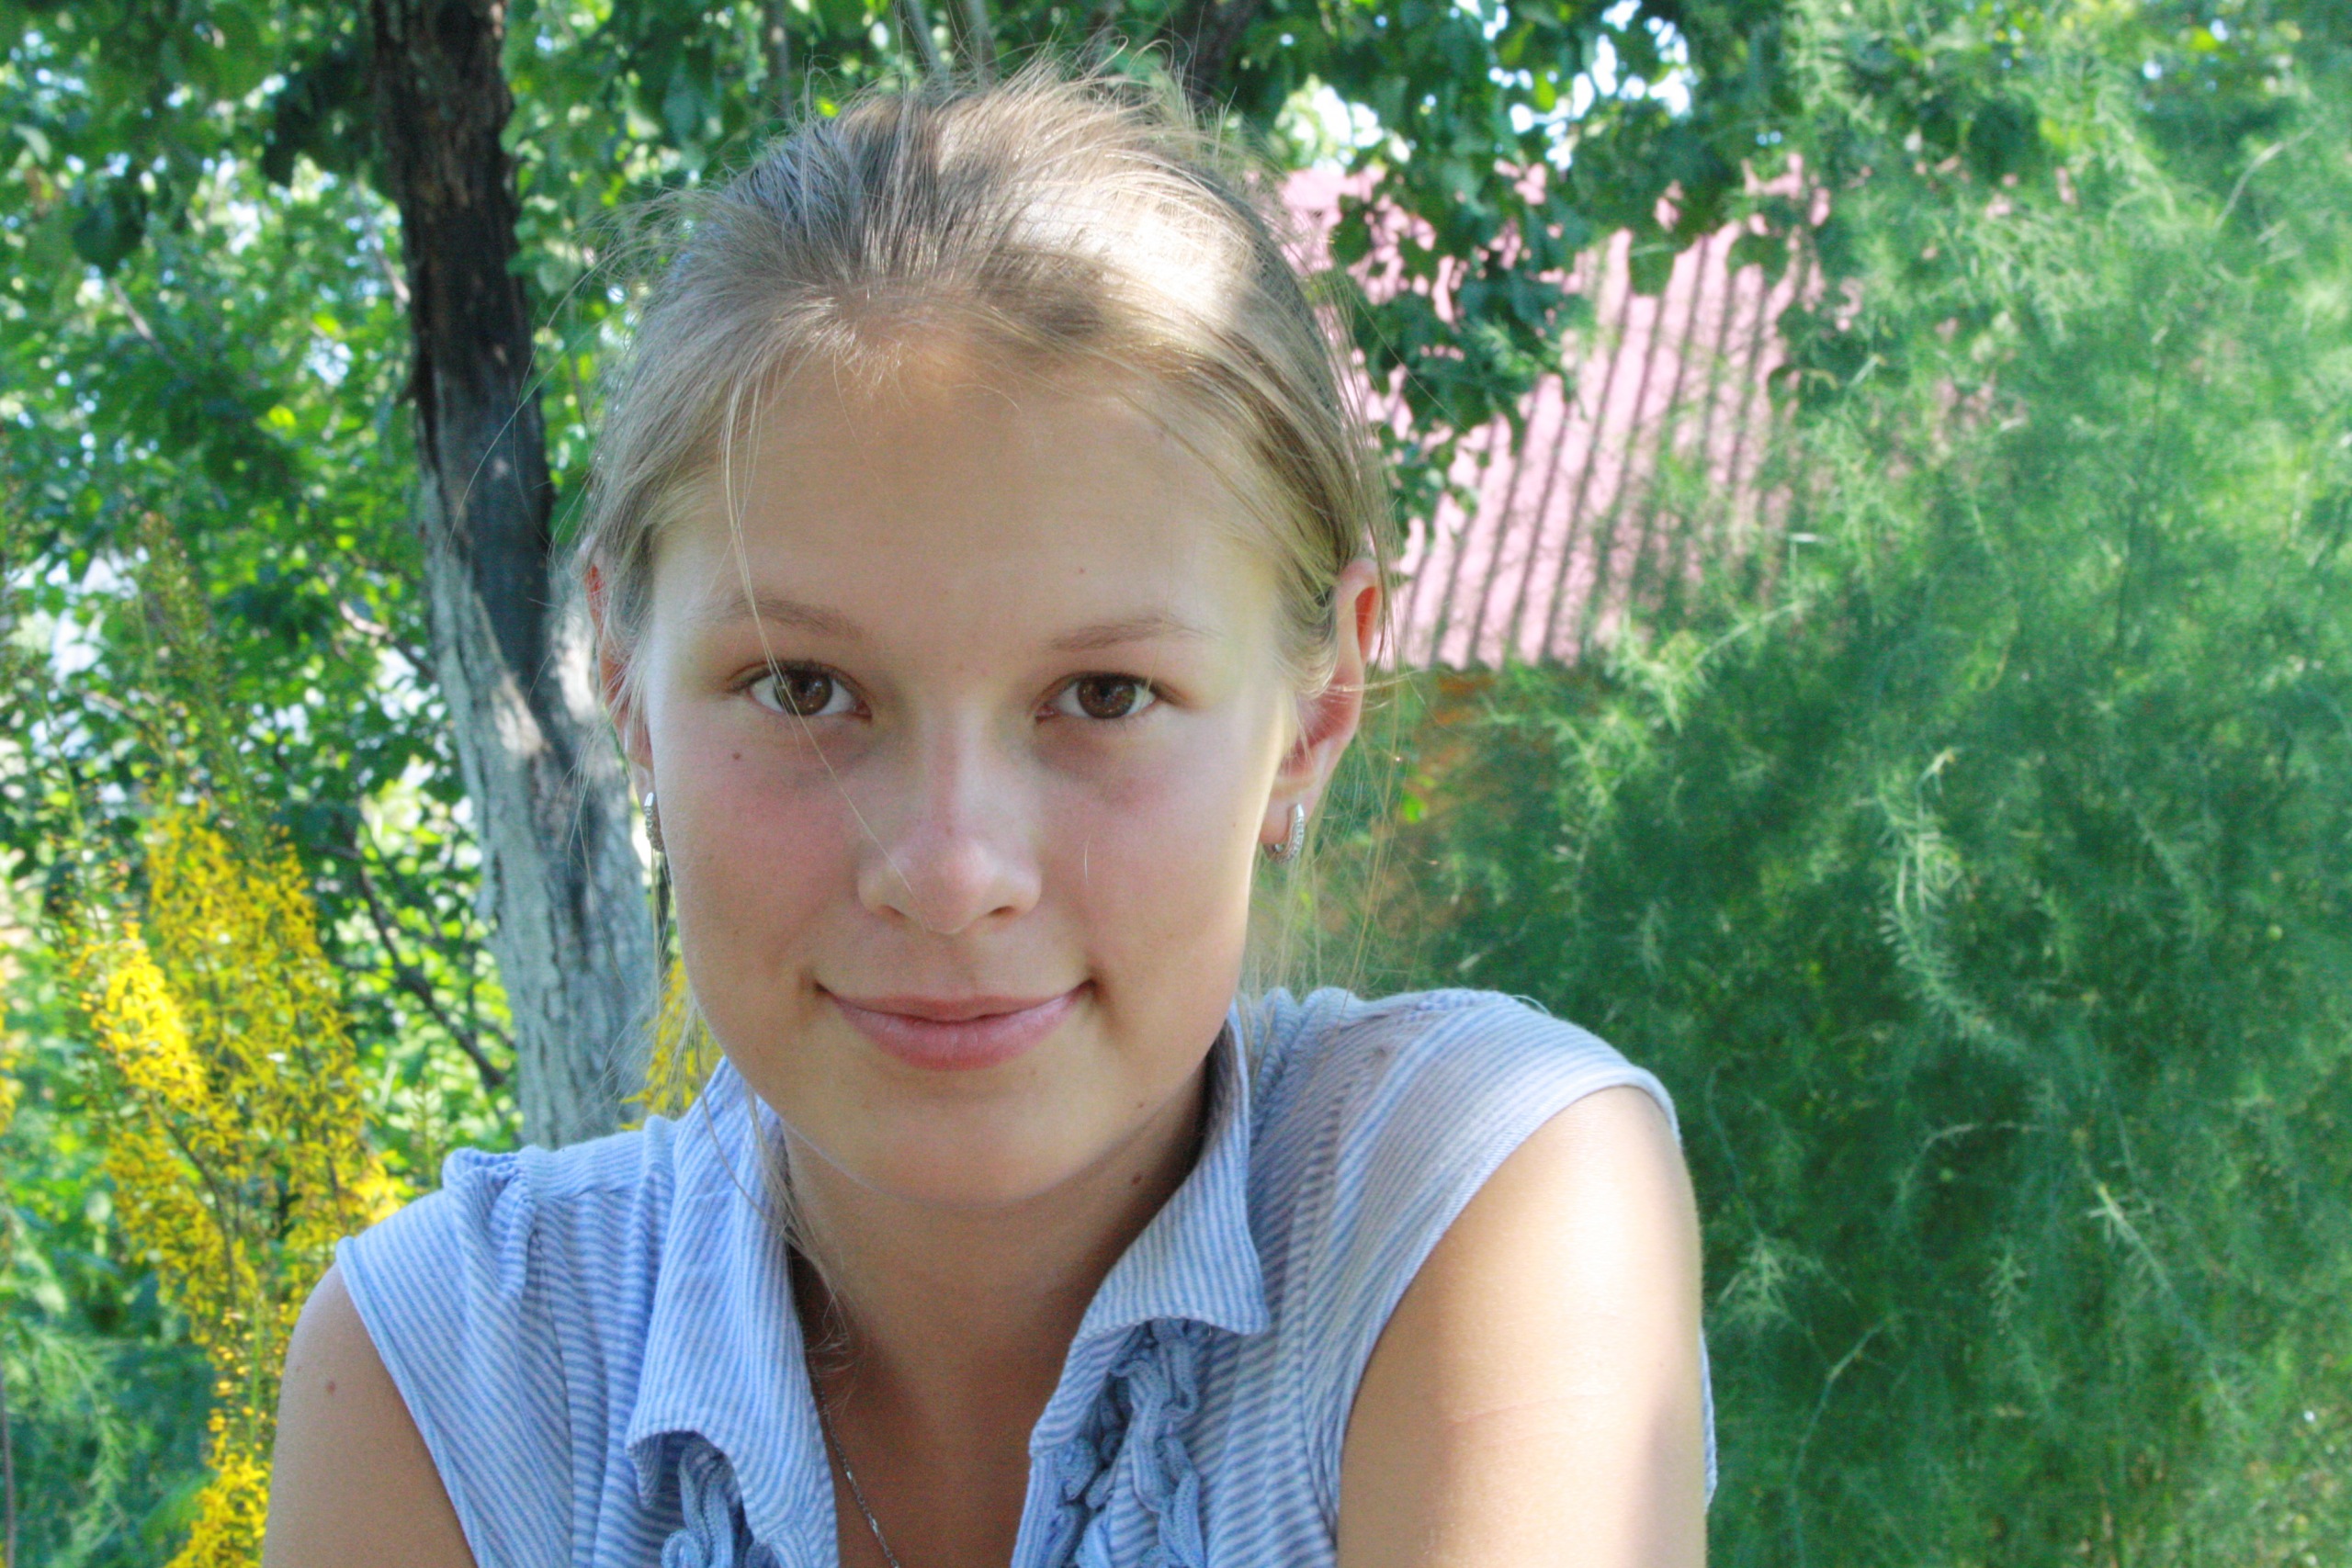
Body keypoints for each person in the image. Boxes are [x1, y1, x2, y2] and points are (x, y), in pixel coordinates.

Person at [261, 63, 1712, 1568]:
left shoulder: (1476, 1204)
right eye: (805, 688)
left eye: (1104, 695)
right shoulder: (447, 1379)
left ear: (1318, 708)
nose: (951, 874)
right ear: (626, 683)